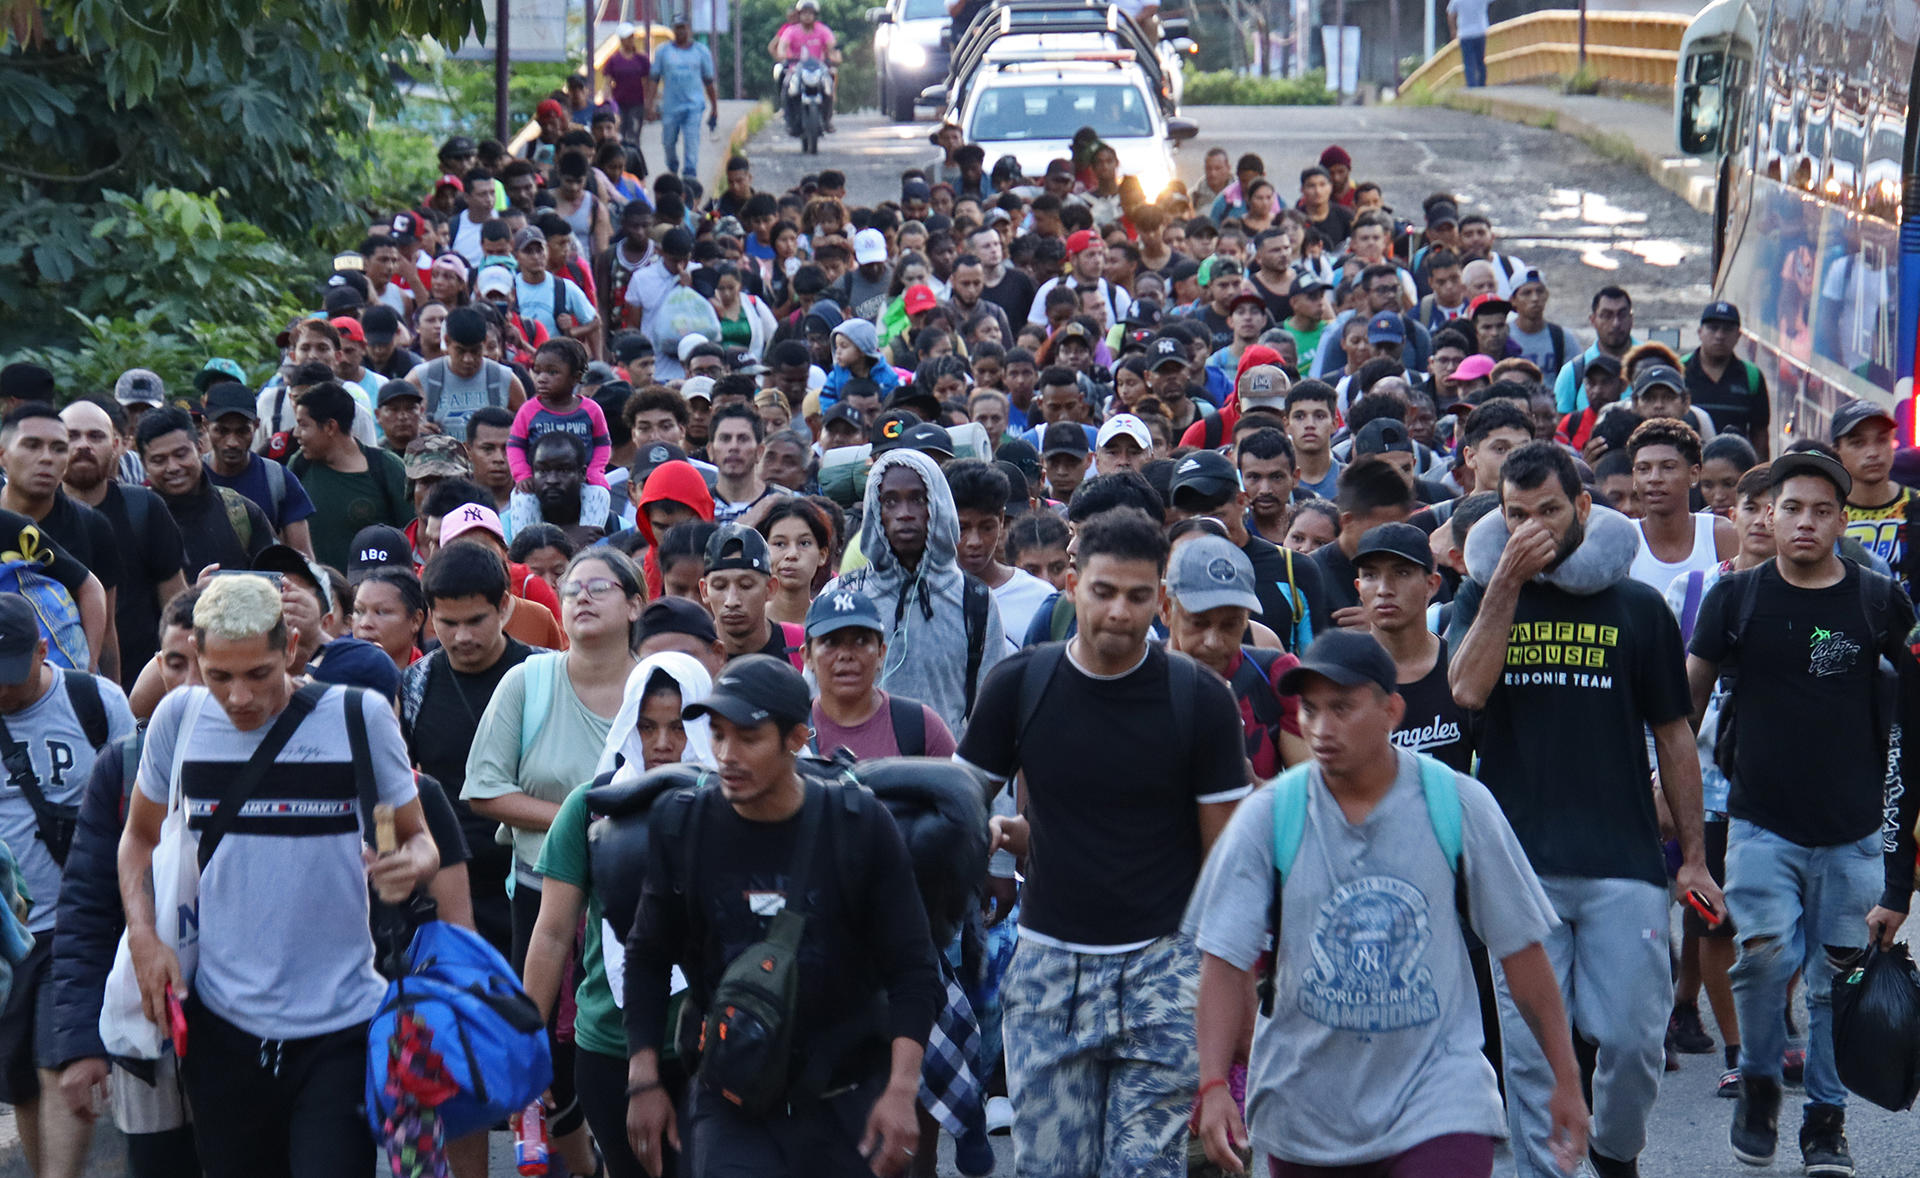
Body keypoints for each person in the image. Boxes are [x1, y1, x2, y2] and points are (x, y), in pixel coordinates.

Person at [1186, 629, 1590, 1178]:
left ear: (1392, 710)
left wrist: (1565, 1081)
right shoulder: (1270, 816)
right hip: (1304, 1107)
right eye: (1309, 710)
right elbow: (1224, 957)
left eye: (1343, 708)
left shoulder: (1457, 804)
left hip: (1438, 1098)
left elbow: (1521, 951)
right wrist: (1213, 1085)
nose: (1321, 729)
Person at [1447, 442, 1722, 1178]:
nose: (1530, 528)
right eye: (1515, 515)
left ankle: (1614, 1149)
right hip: (1519, 865)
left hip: (1622, 858)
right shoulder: (1483, 597)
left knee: (1632, 1039)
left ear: (1585, 509)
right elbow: (1466, 690)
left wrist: (1693, 856)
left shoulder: (1635, 606)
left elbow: (1674, 734)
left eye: (1547, 512)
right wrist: (1505, 579)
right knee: (1535, 1056)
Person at [958, 508, 1249, 1177]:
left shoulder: (1200, 700)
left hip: (1165, 971)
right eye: (1104, 591)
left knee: (1148, 1170)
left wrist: (1231, 1001)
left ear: (1163, 602)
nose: (1121, 611)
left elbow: (1228, 870)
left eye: (1139, 596)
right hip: (1050, 973)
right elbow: (956, 804)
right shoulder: (1020, 685)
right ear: (1070, 583)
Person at [118, 574, 436, 1178]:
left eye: (258, 674)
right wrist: (142, 934)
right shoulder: (177, 722)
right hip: (221, 1029)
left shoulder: (357, 717)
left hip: (341, 1026)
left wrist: (407, 866)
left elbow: (416, 839)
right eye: (219, 677)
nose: (239, 697)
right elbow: (137, 839)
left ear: (291, 648)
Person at [1685, 450, 1918, 1176]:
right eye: (1791, 508)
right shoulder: (1735, 599)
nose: (1805, 522)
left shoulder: (1880, 603)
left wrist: (1899, 875)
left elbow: (1910, 730)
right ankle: (1759, 1081)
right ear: (1768, 515)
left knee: (1830, 986)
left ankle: (1825, 1124)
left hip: (1852, 838)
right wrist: (1667, 790)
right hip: (1759, 825)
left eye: (1822, 510)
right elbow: (1684, 705)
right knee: (1764, 960)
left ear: (1842, 520)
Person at [621, 654, 941, 1177]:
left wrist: (902, 1090)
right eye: (718, 735)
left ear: (796, 739)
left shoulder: (859, 828)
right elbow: (648, 954)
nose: (727, 755)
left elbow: (913, 967)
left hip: (845, 1095)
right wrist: (645, 1078)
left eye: (748, 738)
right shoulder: (683, 826)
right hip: (729, 1096)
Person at [461, 548, 644, 1177]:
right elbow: (483, 788)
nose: (583, 597)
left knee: (629, 1054)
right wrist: (579, 819)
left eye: (601, 586)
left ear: (635, 604)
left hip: (635, 901)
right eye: (572, 589)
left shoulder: (660, 688)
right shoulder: (528, 681)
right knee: (552, 1061)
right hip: (542, 897)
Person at [524, 652, 714, 1178]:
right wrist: (525, 1040)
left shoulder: (733, 804)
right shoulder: (590, 807)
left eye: (680, 725)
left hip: (714, 1043)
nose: (661, 742)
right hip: (610, 1042)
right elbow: (553, 931)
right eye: (646, 725)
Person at [0, 594, 135, 1178]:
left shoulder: (92, 700)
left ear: (41, 650)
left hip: (79, 918)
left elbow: (138, 799)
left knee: (60, 1057)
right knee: (23, 1076)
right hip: (11, 932)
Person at [402, 541, 539, 956]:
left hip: (533, 883)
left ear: (505, 606)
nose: (461, 637)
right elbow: (399, 787)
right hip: (446, 887)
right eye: (448, 623)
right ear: (428, 617)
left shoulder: (545, 676)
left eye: (475, 620)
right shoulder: (414, 686)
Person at [821, 448, 1005, 735]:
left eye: (918, 499)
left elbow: (992, 711)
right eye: (890, 501)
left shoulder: (975, 601)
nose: (905, 514)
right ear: (874, 508)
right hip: (859, 772)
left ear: (938, 505)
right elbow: (816, 697)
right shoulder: (843, 595)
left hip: (944, 773)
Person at [58, 398, 188, 690]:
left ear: (117, 445)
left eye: (96, 436)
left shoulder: (144, 508)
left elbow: (176, 606)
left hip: (142, 686)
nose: (83, 445)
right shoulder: (28, 517)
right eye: (71, 436)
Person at [1162, 531, 1307, 779]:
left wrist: (1250, 788)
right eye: (1198, 623)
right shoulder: (1137, 677)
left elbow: (1312, 793)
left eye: (1230, 625)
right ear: (1166, 610)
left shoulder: (1275, 677)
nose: (1213, 642)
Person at [0, 404, 126, 683]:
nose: (46, 458)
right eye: (31, 446)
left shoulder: (92, 527)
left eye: (58, 448)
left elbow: (106, 632)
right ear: (3, 455)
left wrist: (101, 693)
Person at [1170, 448, 1328, 651]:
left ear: (1242, 501)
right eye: (1190, 520)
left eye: (1216, 517)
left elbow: (1314, 660)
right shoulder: (1169, 571)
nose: (1203, 528)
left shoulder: (1294, 569)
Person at [1354, 522, 1474, 771]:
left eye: (1402, 573)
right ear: (1358, 587)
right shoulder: (1341, 674)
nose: (1384, 589)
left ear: (1432, 585)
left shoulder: (1460, 669)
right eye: (1371, 575)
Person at [805, 588, 955, 760]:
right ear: (807, 656)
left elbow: (964, 784)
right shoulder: (790, 731)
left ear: (881, 653)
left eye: (860, 641)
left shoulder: (920, 726)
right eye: (831, 642)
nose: (845, 655)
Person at [136, 407, 274, 579]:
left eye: (181, 455)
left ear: (200, 448)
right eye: (159, 460)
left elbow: (271, 589)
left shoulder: (241, 512)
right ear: (143, 464)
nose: (173, 467)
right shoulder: (134, 520)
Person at [288, 382, 413, 572]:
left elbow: (412, 535)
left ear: (330, 426)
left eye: (303, 425)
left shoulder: (387, 469)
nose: (296, 434)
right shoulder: (299, 466)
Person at [1626, 417, 1736, 593]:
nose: (1654, 478)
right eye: (1643, 469)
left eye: (1668, 467)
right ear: (1634, 477)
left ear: (1694, 474)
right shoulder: (1624, 539)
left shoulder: (1721, 535)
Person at [1304, 457, 1418, 624]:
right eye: (1383, 530)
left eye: (1402, 527)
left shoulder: (1418, 571)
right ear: (1347, 521)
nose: (1395, 538)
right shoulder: (1309, 577)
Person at [1831, 398, 1920, 598]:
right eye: (1858, 443)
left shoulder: (1916, 506)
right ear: (1837, 451)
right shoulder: (1825, 514)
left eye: (1881, 440)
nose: (1872, 453)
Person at [700, 523, 804, 667]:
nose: (732, 601)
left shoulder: (800, 645)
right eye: (719, 586)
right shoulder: (693, 655)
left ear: (770, 588)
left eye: (746, 585)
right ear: (704, 590)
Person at [1683, 302, 1769, 456]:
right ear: (1700, 332)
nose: (1720, 336)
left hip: (1735, 466)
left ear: (1738, 335)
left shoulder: (1752, 376)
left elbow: (1760, 433)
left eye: (1727, 330)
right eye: (1713, 328)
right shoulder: (1680, 370)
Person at [649, 17, 719, 181]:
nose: (681, 31)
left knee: (691, 141)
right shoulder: (663, 52)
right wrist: (649, 104)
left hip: (693, 106)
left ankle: (689, 174)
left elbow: (708, 81)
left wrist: (715, 107)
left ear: (689, 29)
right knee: (668, 142)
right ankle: (672, 167)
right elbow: (654, 79)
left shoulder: (701, 52)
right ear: (673, 29)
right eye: (677, 27)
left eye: (684, 27)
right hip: (671, 106)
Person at [708, 403, 790, 525]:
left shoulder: (785, 504)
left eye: (743, 439)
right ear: (711, 451)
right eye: (725, 438)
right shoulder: (696, 506)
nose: (734, 447)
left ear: (759, 451)